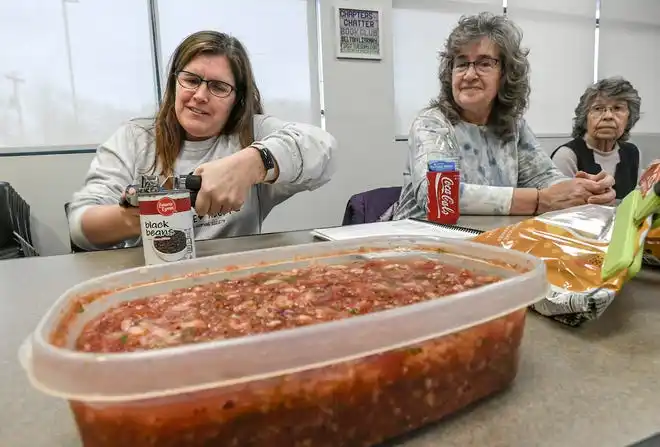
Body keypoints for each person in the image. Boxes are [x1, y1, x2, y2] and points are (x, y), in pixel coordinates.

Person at [68, 31, 337, 251]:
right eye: (191, 80)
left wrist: (252, 163)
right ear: (175, 83)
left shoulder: (252, 133)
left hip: (234, 282)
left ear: (238, 99)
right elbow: (80, 225)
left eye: (218, 87)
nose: (199, 95)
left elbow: (325, 150)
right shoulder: (134, 138)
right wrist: (135, 217)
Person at [392, 12, 615, 220]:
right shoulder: (432, 124)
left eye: (484, 63)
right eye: (461, 64)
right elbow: (439, 197)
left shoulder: (513, 126)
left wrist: (586, 189)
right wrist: (538, 201)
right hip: (419, 246)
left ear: (506, 75)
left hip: (486, 242)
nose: (469, 75)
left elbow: (546, 179)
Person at [552, 77, 642, 199]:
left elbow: (635, 200)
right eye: (598, 108)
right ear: (585, 117)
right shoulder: (567, 156)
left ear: (629, 117)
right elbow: (557, 205)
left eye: (617, 108)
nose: (608, 116)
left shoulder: (633, 153)